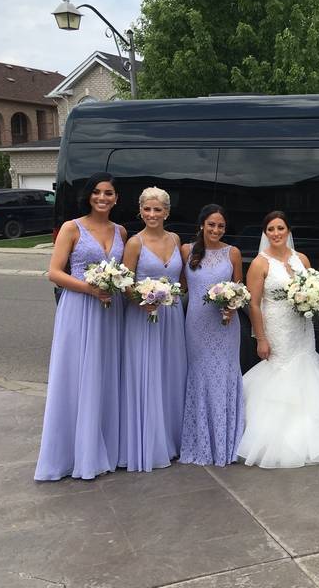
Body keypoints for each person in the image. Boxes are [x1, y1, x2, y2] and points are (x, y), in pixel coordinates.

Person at [237, 211, 319, 467]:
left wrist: (315, 300)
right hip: (277, 327)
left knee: (307, 372)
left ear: (288, 231)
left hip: (302, 327)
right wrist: (260, 338)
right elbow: (255, 305)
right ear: (265, 233)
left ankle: (311, 438)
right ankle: (275, 442)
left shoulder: (301, 258)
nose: (276, 233)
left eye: (280, 228)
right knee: (280, 374)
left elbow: (313, 287)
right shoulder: (260, 263)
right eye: (270, 229)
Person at [35, 173, 128, 481]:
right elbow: (53, 272)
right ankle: (74, 454)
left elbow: (124, 273)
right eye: (98, 192)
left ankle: (105, 449)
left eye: (109, 193)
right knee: (77, 376)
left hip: (110, 312)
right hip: (78, 308)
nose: (103, 198)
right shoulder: (71, 228)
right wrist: (89, 288)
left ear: (116, 198)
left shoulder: (121, 231)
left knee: (105, 375)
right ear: (89, 196)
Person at [118, 187, 187, 472]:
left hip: (172, 317)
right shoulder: (135, 243)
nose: (152, 214)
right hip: (144, 318)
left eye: (157, 209)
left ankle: (173, 439)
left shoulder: (176, 239)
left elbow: (182, 280)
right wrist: (141, 299)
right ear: (140, 211)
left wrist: (174, 294)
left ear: (167, 212)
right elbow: (124, 282)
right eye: (147, 209)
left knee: (171, 374)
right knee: (148, 376)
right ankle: (150, 442)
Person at [179, 204, 245, 466]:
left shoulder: (233, 253)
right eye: (211, 225)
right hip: (196, 324)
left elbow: (239, 290)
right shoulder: (187, 250)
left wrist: (232, 307)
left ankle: (227, 441)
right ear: (202, 225)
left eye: (221, 226)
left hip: (226, 325)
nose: (216, 230)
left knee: (225, 375)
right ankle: (201, 441)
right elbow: (179, 285)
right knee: (201, 376)